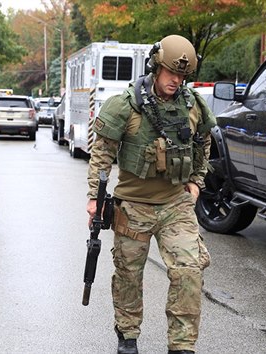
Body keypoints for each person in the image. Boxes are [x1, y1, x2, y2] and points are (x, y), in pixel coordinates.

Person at [86, 35, 215, 354]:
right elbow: (101, 153)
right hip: (133, 207)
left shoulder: (193, 105)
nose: (176, 80)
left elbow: (203, 143)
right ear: (155, 67)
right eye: (170, 72)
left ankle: (182, 346)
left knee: (188, 271)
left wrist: (197, 180)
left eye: (182, 75)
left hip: (176, 205)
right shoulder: (124, 105)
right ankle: (128, 336)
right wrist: (95, 198)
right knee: (129, 274)